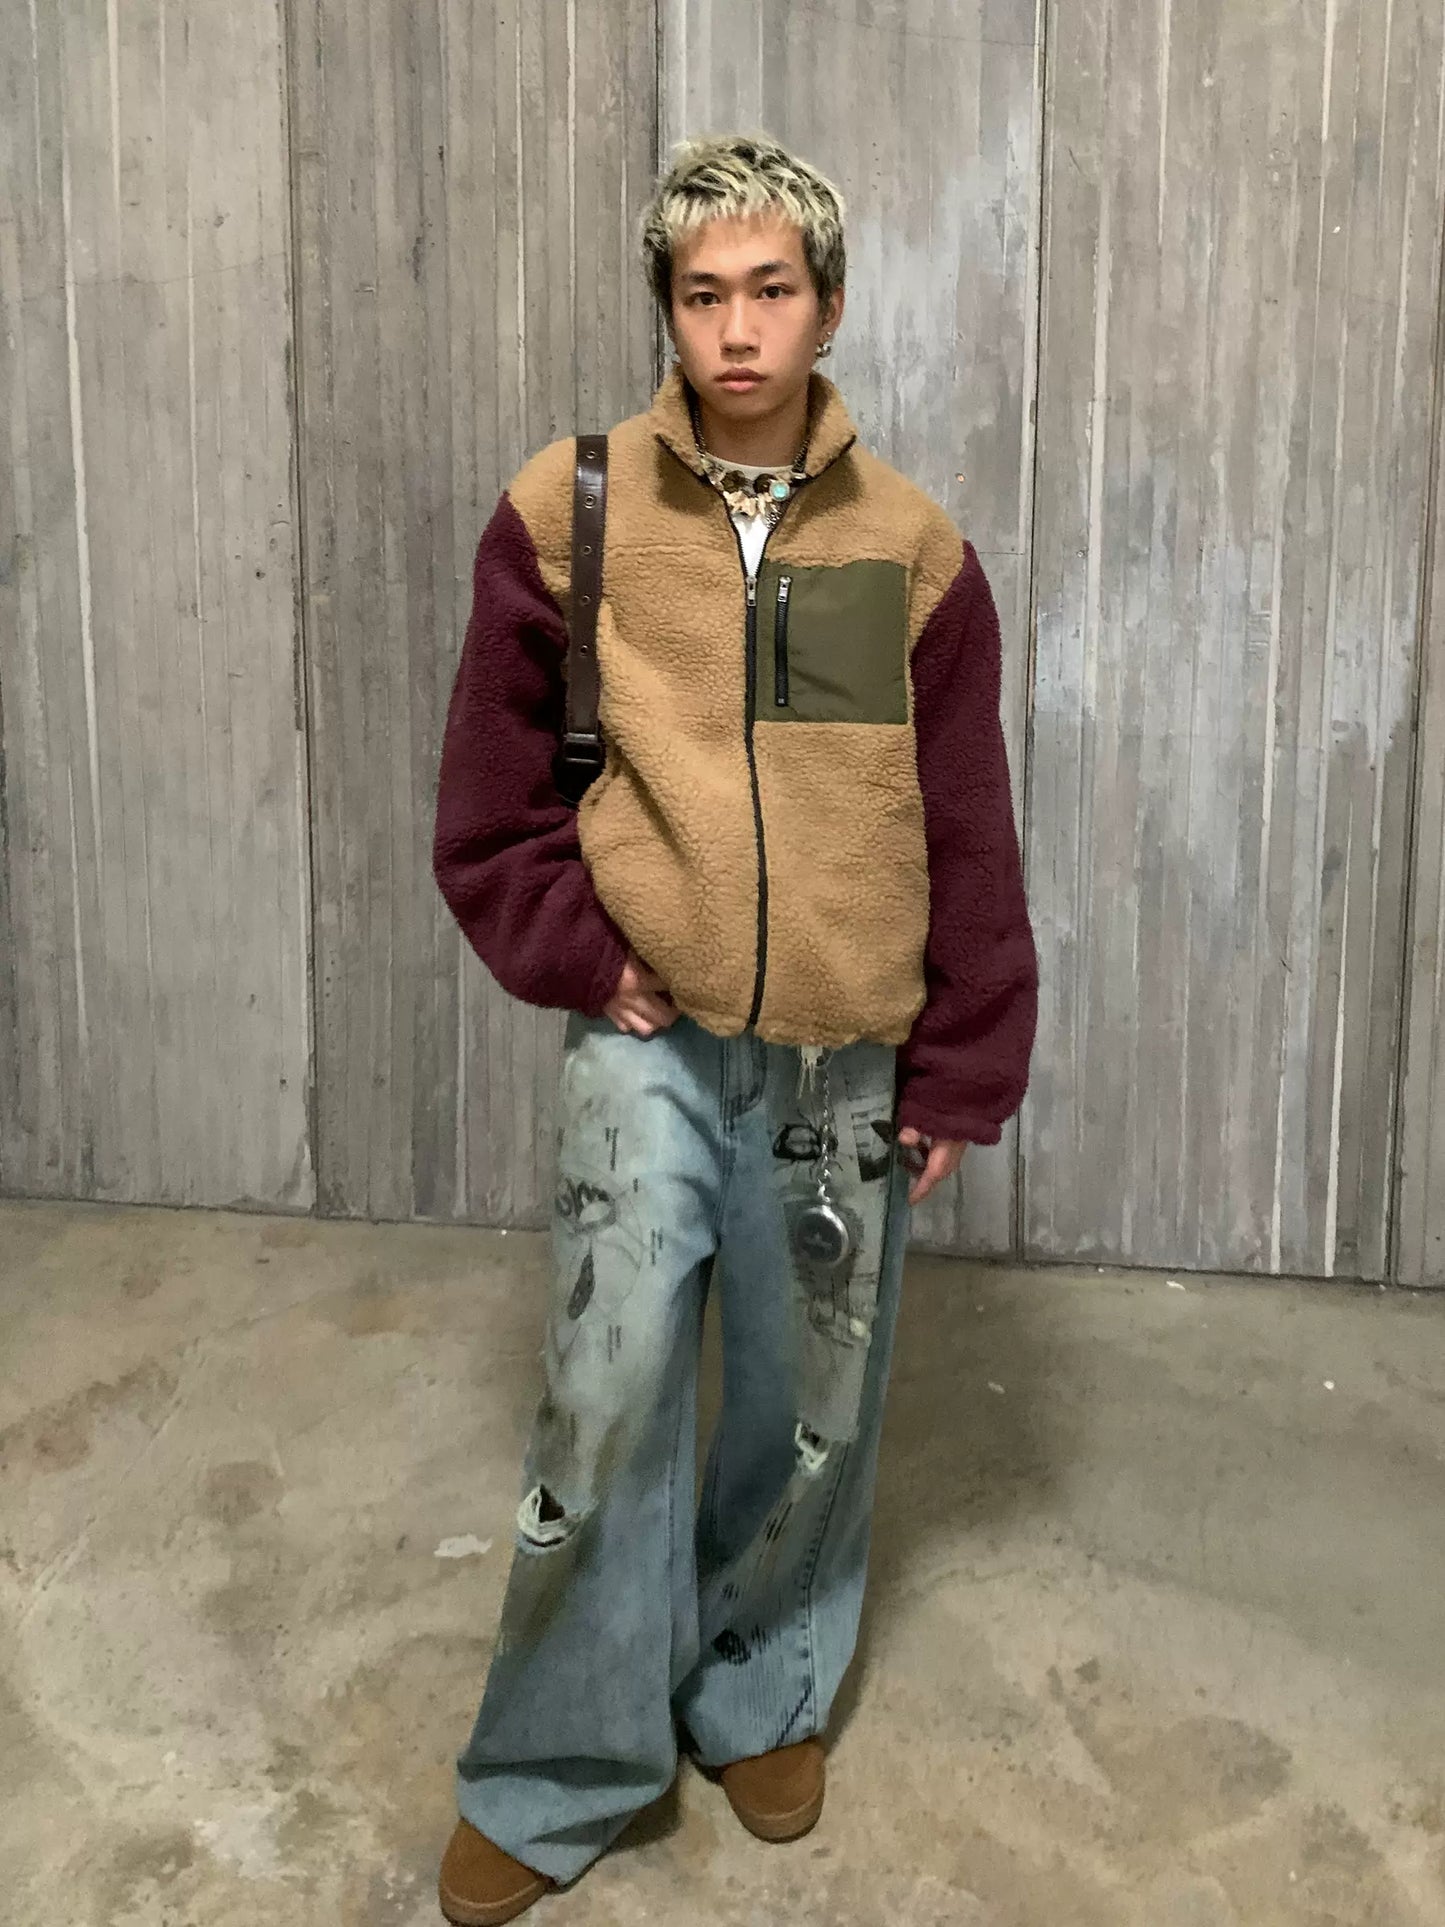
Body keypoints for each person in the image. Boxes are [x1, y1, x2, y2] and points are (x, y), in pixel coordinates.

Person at [430, 132, 1038, 1925]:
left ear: (827, 308)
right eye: (703, 296)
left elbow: (958, 824)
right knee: (606, 1396)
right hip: (652, 1047)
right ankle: (560, 1764)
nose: (738, 329)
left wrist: (959, 1063)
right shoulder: (574, 513)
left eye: (771, 290)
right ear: (668, 315)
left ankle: (761, 1689)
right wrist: (574, 945)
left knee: (809, 1409)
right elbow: (487, 799)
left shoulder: (907, 552)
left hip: (839, 1066)